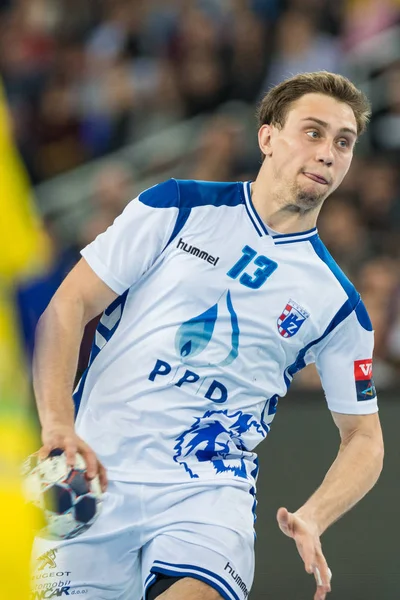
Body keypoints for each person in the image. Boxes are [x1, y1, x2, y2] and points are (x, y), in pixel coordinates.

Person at [31, 72, 384, 600]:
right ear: (267, 137)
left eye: (343, 141)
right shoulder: (176, 206)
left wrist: (315, 515)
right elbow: (68, 305)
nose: (329, 152)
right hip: (92, 479)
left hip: (207, 494)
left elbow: (366, 440)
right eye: (313, 132)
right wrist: (58, 424)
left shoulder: (338, 304)